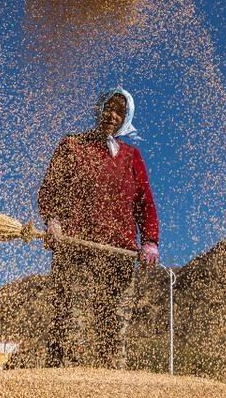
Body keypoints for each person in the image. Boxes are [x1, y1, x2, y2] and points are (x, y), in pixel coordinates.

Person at [37, 87, 160, 368]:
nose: (112, 115)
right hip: (75, 249)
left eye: (120, 111)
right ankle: (61, 388)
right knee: (70, 324)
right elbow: (49, 189)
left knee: (113, 329)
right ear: (99, 108)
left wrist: (150, 239)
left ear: (126, 117)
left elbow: (144, 202)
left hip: (119, 254)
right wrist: (53, 219)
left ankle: (111, 392)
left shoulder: (132, 157)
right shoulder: (72, 145)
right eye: (108, 107)